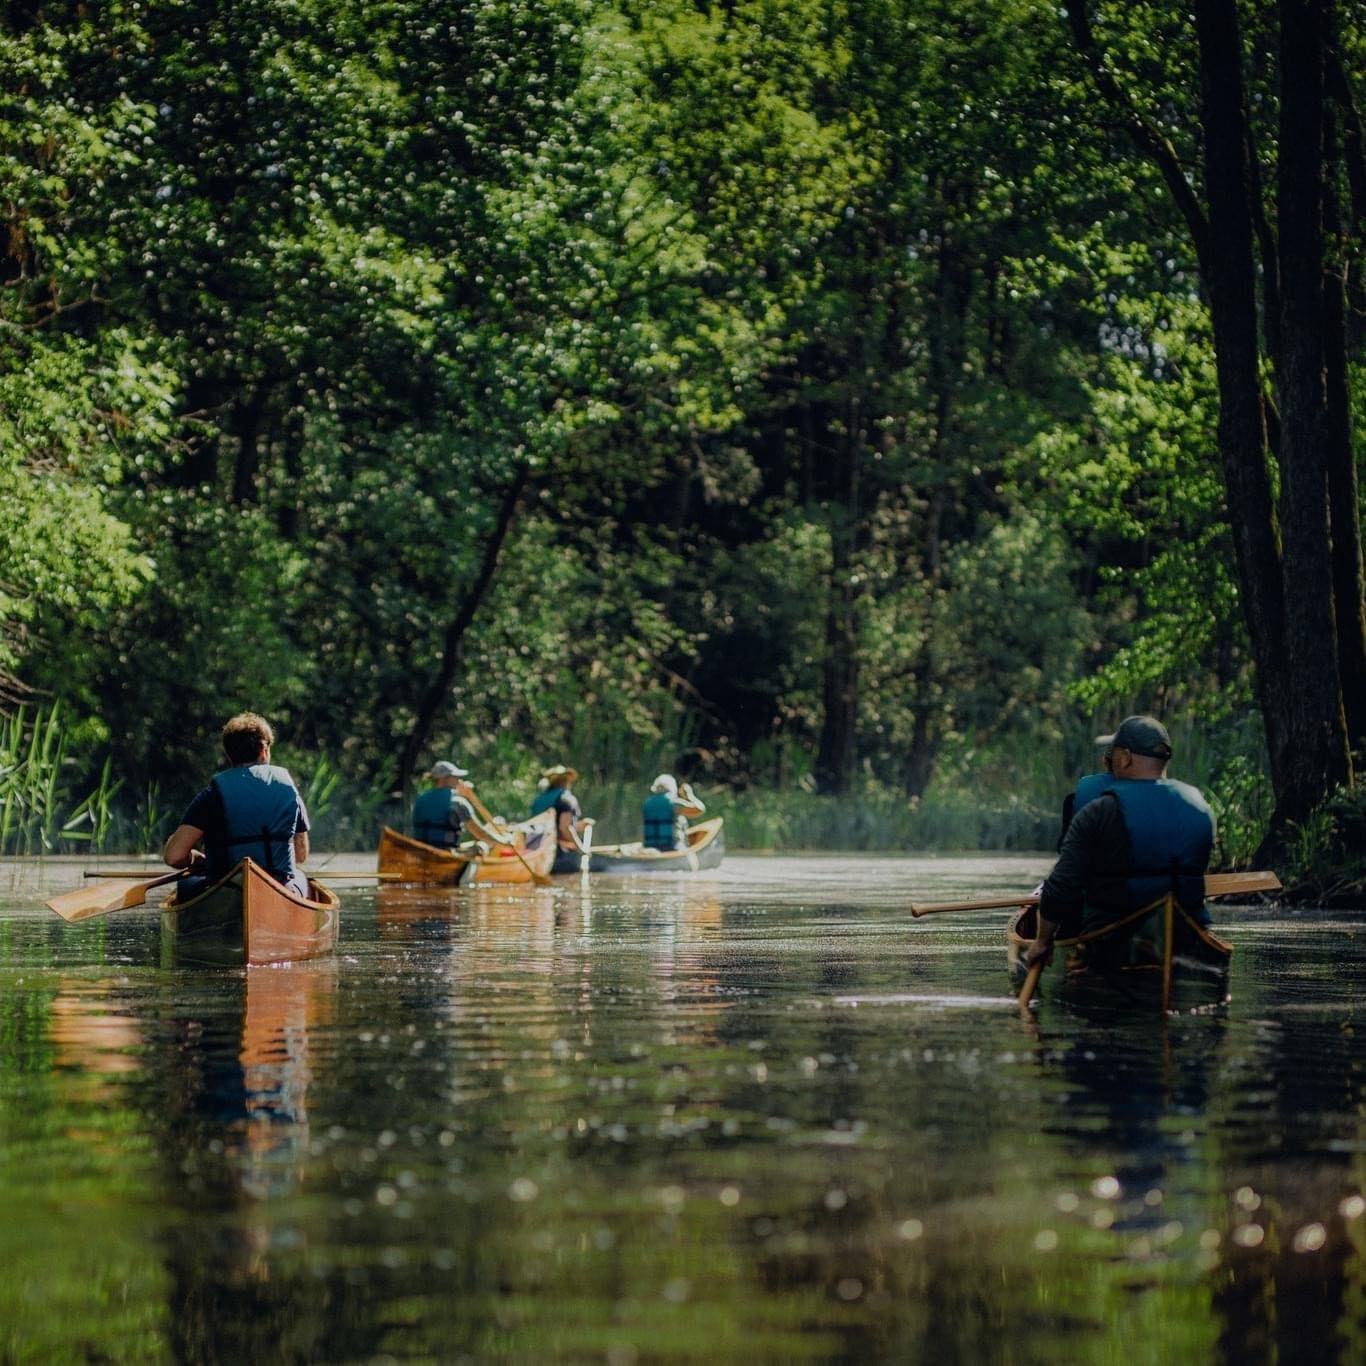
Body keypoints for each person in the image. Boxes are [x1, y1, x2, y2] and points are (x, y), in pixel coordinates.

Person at [1025, 715, 1215, 969]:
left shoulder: (1100, 811)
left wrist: (1042, 942)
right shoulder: (1201, 807)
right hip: (1185, 937)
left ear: (1125, 757)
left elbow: (1061, 888)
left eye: (1113, 753)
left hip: (1112, 939)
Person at [163, 712, 311, 897]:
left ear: (229, 754)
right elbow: (301, 854)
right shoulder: (288, 789)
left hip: (225, 888)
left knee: (187, 881)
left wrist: (197, 860)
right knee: (300, 877)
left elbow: (174, 856)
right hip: (278, 887)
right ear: (264, 750)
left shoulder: (211, 795)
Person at [531, 763, 593, 862]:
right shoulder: (567, 799)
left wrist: (582, 824)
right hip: (557, 851)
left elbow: (557, 824)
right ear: (566, 780)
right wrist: (582, 849)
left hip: (535, 846)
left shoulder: (538, 799)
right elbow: (564, 828)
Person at [412, 760, 479, 849]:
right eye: (455, 777)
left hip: (420, 852)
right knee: (482, 846)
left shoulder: (420, 799)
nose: (458, 780)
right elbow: (479, 833)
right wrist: (500, 841)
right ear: (444, 779)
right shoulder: (457, 801)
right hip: (445, 853)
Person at [642, 774, 705, 851]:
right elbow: (699, 809)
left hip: (650, 846)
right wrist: (689, 796)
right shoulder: (672, 802)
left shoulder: (647, 803)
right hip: (671, 847)